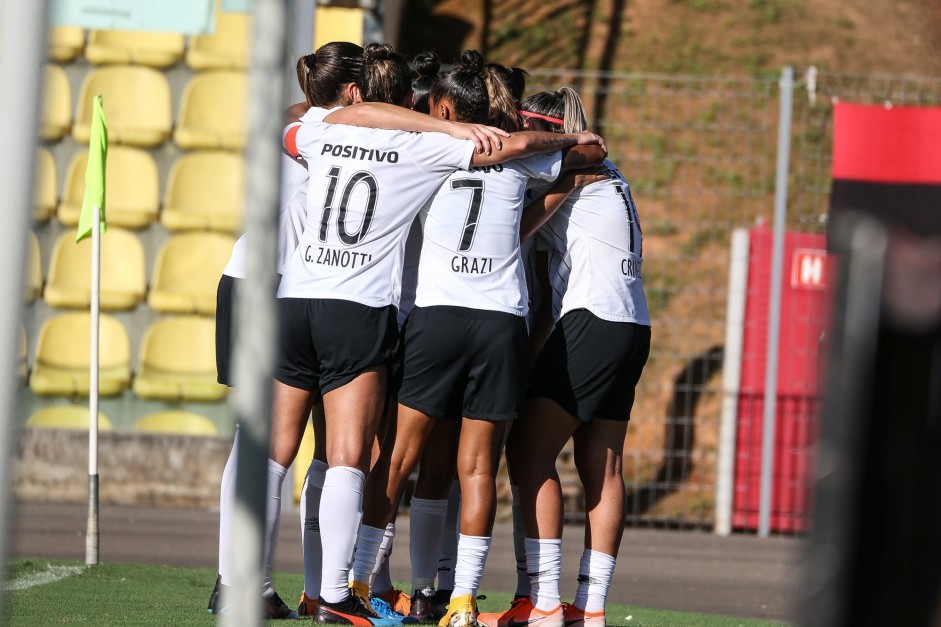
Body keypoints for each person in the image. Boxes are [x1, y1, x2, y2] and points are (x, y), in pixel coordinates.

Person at [278, 43, 603, 627]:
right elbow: (590, 153)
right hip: (501, 320)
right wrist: (549, 157)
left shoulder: (434, 151)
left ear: (446, 107)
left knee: (392, 458)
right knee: (471, 469)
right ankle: (456, 600)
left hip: (429, 317)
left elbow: (305, 123)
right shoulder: (506, 155)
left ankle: (352, 582)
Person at [477, 87, 651, 627]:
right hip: (630, 324)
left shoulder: (570, 171)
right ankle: (590, 609)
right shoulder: (605, 172)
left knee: (529, 452)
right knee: (602, 465)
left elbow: (506, 236)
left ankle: (544, 602)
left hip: (594, 320)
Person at [206, 39, 366, 621]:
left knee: (271, 440)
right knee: (268, 440)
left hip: (254, 276)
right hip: (269, 282)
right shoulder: (333, 133)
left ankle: (250, 580)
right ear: (351, 91)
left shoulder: (299, 123)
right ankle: (243, 580)